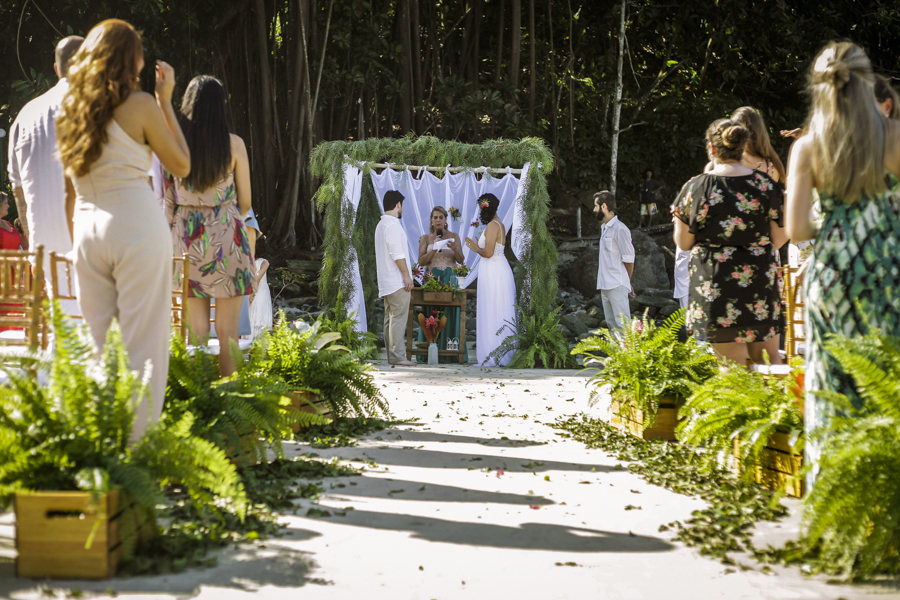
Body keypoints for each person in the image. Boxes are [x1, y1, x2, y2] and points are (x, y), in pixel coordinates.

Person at [56, 19, 191, 440]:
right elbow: (183, 165)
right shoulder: (141, 106)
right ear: (132, 59)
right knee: (142, 346)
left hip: (87, 230)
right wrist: (165, 101)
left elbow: (68, 193)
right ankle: (136, 455)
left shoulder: (71, 111)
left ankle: (100, 448)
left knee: (99, 346)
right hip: (135, 225)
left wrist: (75, 239)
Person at [784, 42, 900, 478]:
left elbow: (796, 230)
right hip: (886, 271)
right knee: (884, 377)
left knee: (829, 381)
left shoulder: (808, 147)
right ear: (868, 80)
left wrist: (836, 225)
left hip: (831, 275)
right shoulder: (895, 136)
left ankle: (831, 490)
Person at [673, 118, 787, 366]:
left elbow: (683, 242)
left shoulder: (697, 187)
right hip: (759, 284)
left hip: (715, 286)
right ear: (743, 148)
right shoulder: (765, 184)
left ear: (712, 149)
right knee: (770, 362)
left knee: (732, 370)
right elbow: (779, 238)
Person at [165, 75, 255, 376]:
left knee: (197, 330)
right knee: (228, 329)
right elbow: (246, 202)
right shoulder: (235, 145)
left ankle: (201, 399)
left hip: (187, 236)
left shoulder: (174, 145)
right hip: (226, 234)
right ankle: (230, 399)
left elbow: (168, 199)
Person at [7, 35, 83, 305]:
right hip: (92, 238)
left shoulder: (26, 114)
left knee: (57, 317)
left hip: (43, 242)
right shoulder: (99, 108)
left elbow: (17, 188)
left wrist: (30, 236)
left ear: (55, 68)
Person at [464, 193, 516, 366]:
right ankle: (496, 351)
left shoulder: (494, 225)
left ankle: (494, 354)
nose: (480, 211)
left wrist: (475, 248)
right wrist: (480, 246)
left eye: (481, 207)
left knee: (493, 309)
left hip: (494, 270)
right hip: (495, 269)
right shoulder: (497, 224)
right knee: (495, 310)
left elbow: (488, 253)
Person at [416, 206, 467, 363]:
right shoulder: (426, 238)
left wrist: (455, 249)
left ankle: (450, 352)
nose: (438, 220)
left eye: (441, 217)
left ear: (445, 220)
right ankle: (430, 351)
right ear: (431, 220)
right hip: (431, 278)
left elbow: (460, 259)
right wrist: (434, 249)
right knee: (431, 312)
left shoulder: (454, 236)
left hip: (449, 278)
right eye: (435, 217)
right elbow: (421, 261)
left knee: (450, 313)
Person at [375, 190, 416, 366]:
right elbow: (397, 254)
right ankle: (398, 356)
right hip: (395, 280)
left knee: (390, 318)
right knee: (398, 318)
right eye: (402, 205)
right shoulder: (392, 226)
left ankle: (393, 356)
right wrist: (407, 276)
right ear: (398, 204)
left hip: (386, 280)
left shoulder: (381, 225)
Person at [592, 191, 635, 337]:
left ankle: (629, 359)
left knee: (623, 326)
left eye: (596, 206)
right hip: (605, 285)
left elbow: (629, 259)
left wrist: (627, 282)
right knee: (612, 325)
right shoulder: (604, 228)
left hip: (617, 284)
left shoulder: (620, 229)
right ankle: (617, 358)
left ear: (604, 206)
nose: (594, 210)